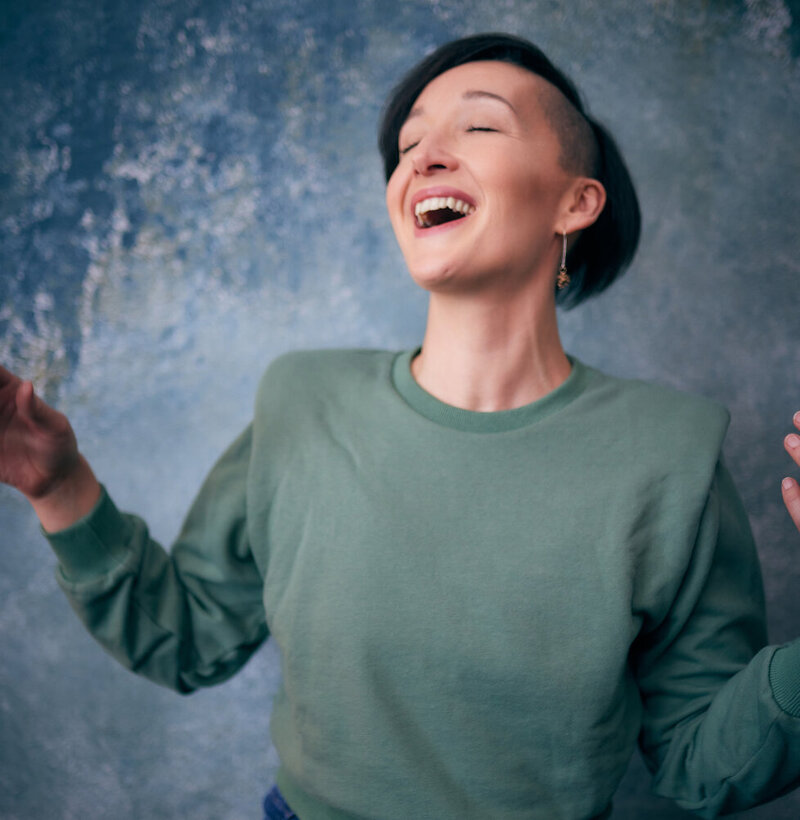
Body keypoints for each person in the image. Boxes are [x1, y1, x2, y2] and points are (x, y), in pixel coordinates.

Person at [2, 32, 800, 820]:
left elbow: (705, 766)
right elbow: (186, 639)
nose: (424, 158)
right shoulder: (300, 402)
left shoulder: (674, 455)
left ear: (576, 201)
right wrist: (61, 487)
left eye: (478, 126)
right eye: (409, 144)